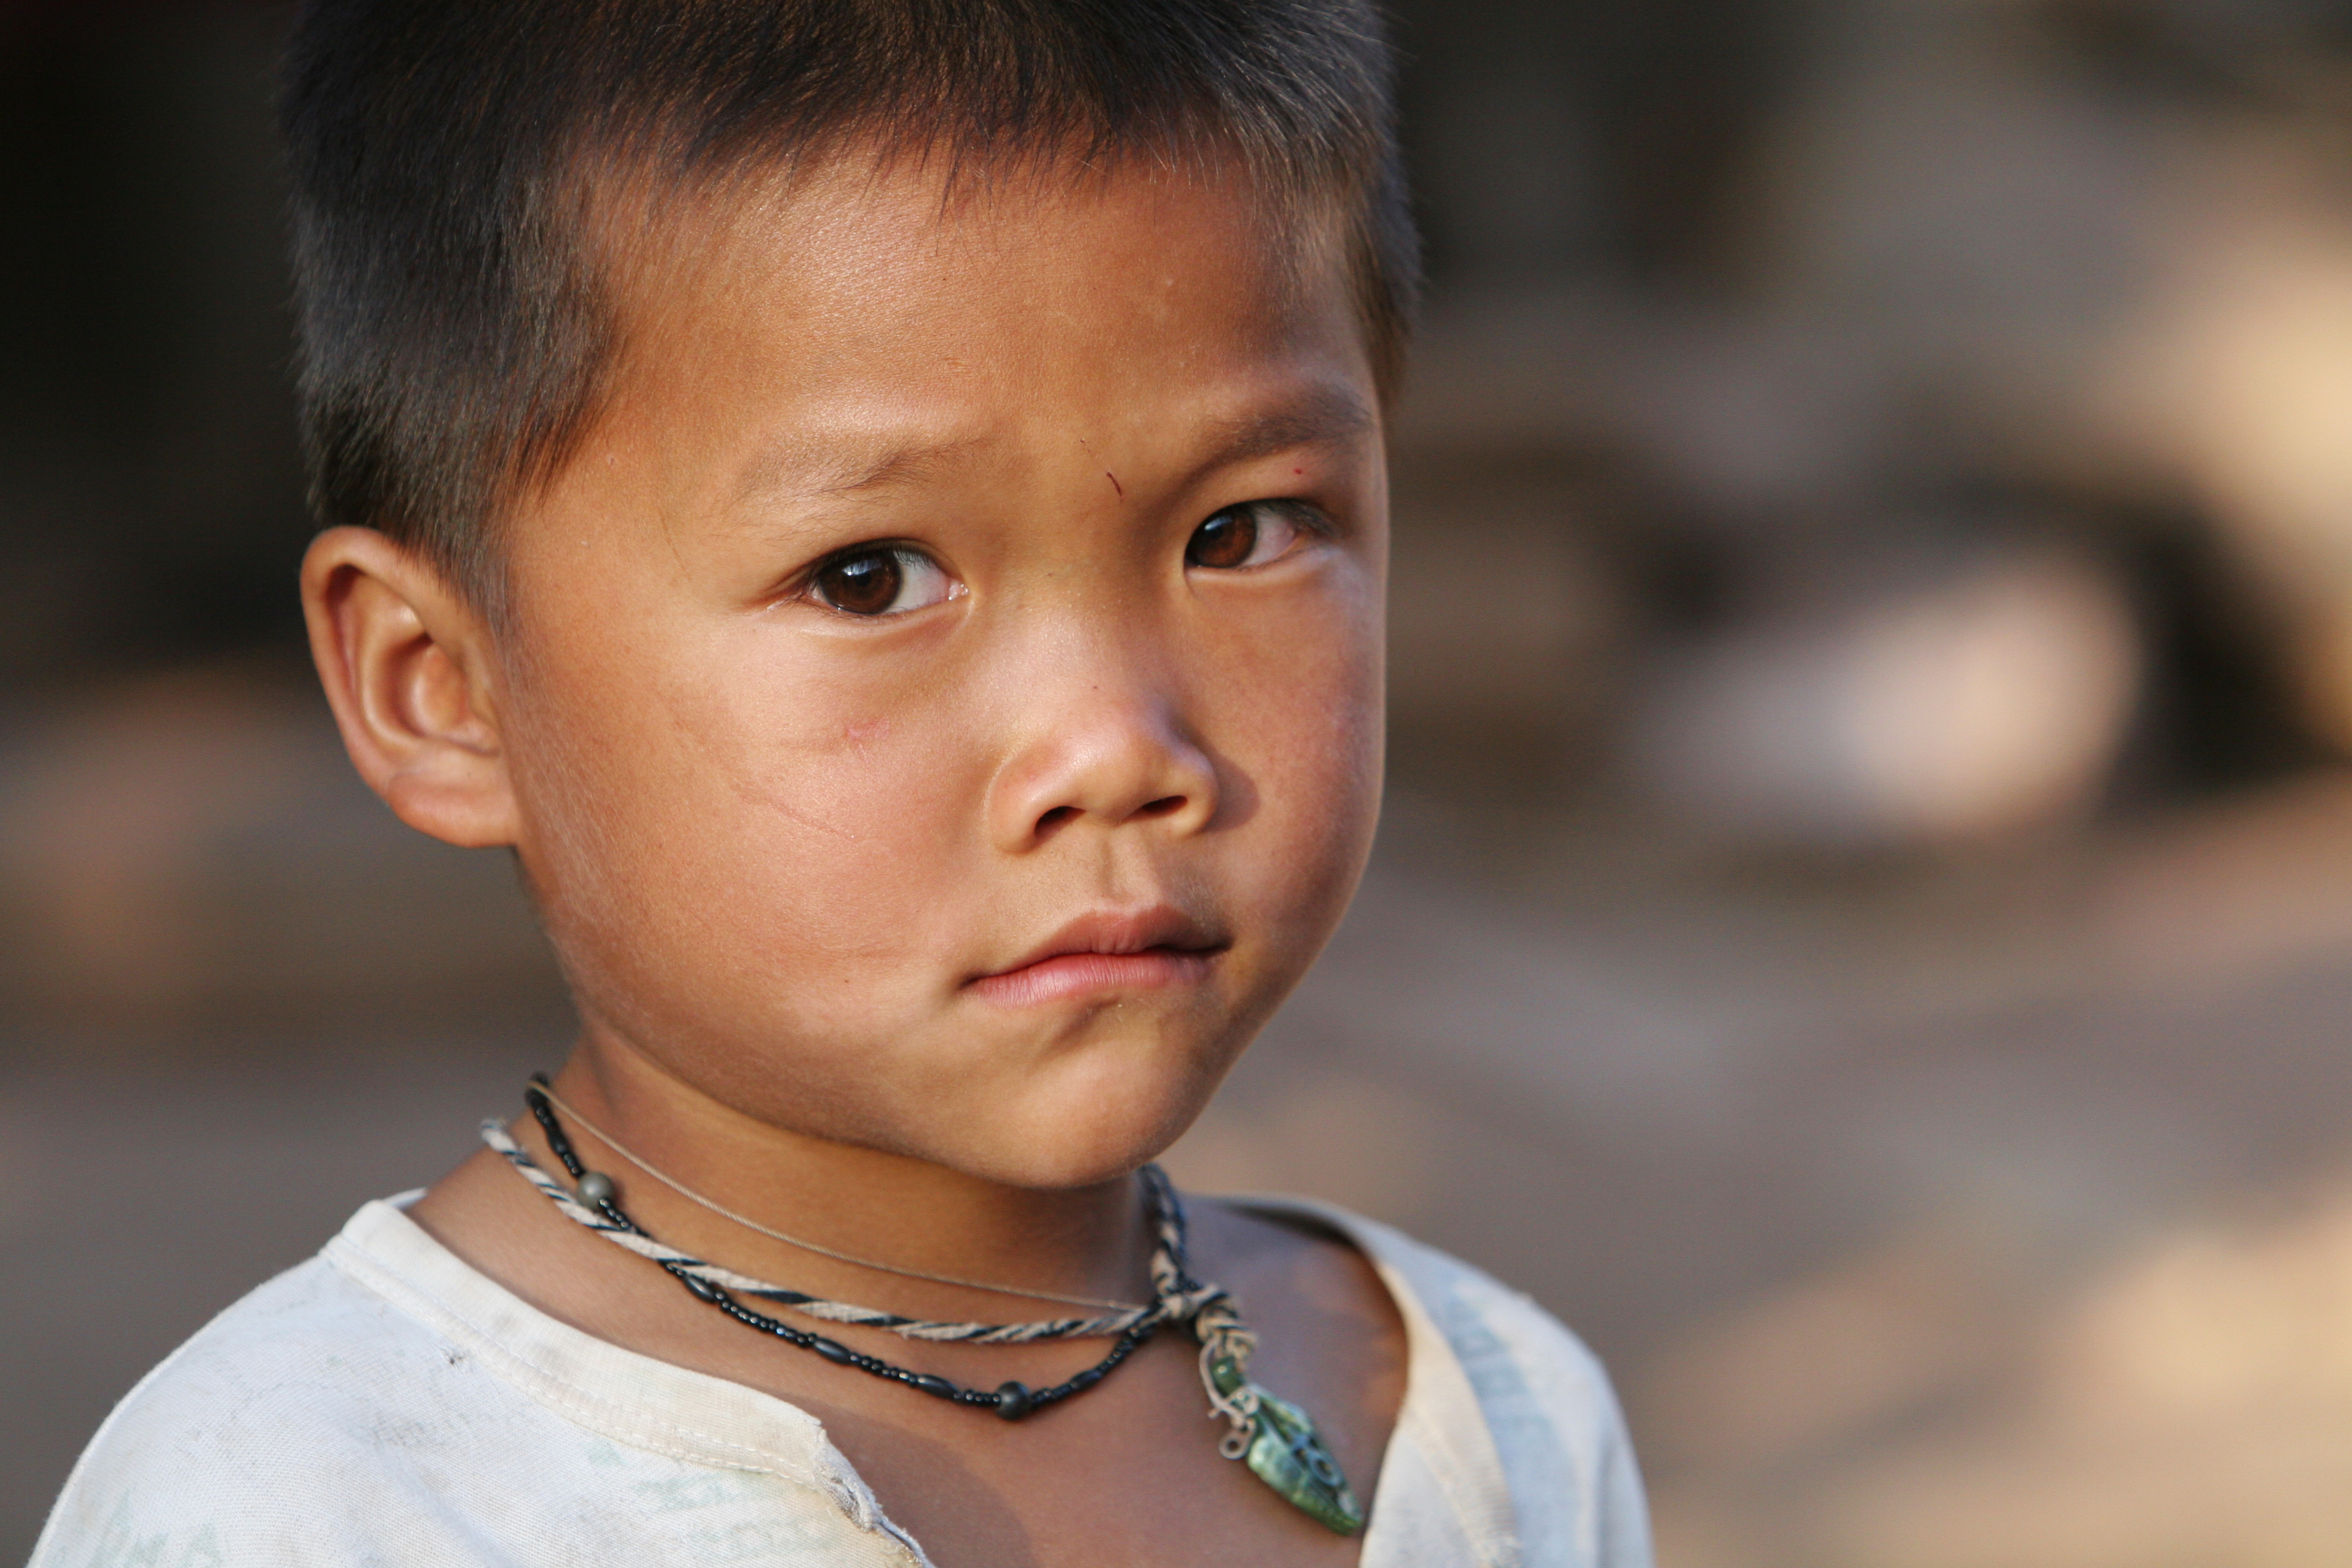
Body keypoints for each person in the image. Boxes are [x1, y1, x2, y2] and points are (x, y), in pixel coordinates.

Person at [32, 1, 1651, 1563]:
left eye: (1242, 530)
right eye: (870, 576)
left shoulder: (1491, 1423)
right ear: (441, 690)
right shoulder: (315, 1503)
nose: (1114, 748)